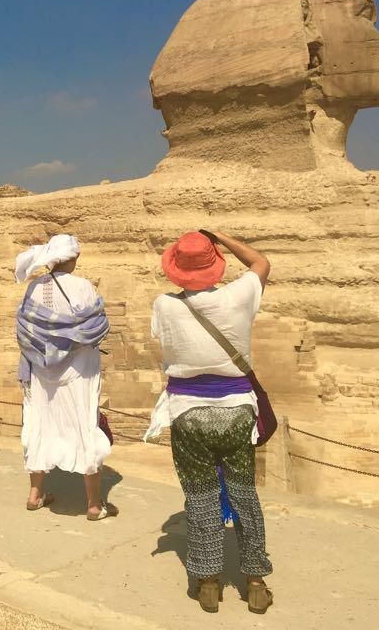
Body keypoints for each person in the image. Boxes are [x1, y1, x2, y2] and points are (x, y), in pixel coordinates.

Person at [144, 230, 273, 615]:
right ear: (215, 265)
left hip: (188, 413)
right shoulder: (239, 295)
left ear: (177, 269)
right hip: (236, 410)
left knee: (201, 497)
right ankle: (255, 583)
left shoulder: (164, 305)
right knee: (244, 494)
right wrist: (224, 239)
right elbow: (261, 263)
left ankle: (208, 583)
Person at [15, 234, 115, 519]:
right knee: (84, 425)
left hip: (41, 370)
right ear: (73, 258)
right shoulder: (83, 286)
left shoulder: (34, 287)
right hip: (79, 372)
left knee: (39, 423)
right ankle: (93, 504)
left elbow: (25, 329)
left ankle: (35, 494)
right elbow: (97, 327)